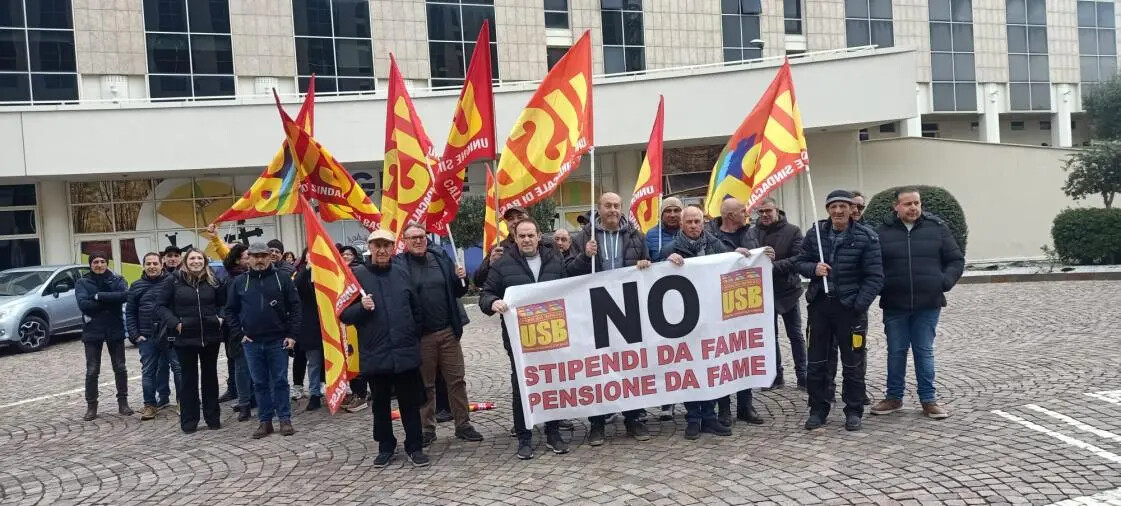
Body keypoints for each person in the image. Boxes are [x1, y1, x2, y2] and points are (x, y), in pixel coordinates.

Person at [480, 218, 573, 460]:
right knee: (522, 385)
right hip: (519, 339)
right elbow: (485, 294)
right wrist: (492, 302)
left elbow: (567, 290)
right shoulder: (502, 264)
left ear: (539, 236)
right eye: (522, 236)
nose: (527, 240)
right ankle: (524, 437)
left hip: (552, 334)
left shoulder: (555, 259)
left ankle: (553, 432)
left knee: (552, 382)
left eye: (531, 235)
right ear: (515, 237)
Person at [567, 192, 653, 446]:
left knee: (631, 366)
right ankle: (597, 424)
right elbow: (568, 271)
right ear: (599, 208)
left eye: (617, 205)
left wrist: (647, 264)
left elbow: (649, 265)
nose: (613, 210)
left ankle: (633, 418)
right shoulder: (583, 237)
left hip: (628, 311)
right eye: (608, 206)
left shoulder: (636, 236)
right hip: (595, 311)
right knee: (598, 368)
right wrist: (585, 256)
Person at [871, 188, 964, 419]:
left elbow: (955, 259)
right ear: (896, 207)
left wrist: (943, 282)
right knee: (896, 351)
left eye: (917, 203)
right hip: (895, 303)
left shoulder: (937, 228)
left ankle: (928, 400)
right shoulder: (882, 231)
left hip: (928, 303)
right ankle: (894, 397)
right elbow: (873, 264)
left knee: (924, 352)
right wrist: (883, 285)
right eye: (907, 204)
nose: (913, 208)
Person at [796, 190, 884, 432]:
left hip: (850, 309)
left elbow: (875, 276)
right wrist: (814, 268)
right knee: (817, 363)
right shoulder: (816, 233)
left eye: (843, 207)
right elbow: (799, 262)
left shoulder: (867, 237)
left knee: (853, 363)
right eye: (833, 207)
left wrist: (858, 304)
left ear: (851, 209)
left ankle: (854, 410)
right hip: (820, 307)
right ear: (827, 209)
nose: (838, 211)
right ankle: (818, 409)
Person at [343, 230, 431, 468]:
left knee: (409, 404)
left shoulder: (402, 273)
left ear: (393, 248)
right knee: (380, 405)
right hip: (375, 353)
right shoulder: (356, 276)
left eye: (386, 246)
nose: (382, 250)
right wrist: (361, 307)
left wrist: (412, 336)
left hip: (404, 353)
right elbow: (343, 314)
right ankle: (385, 446)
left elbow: (417, 311)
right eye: (377, 246)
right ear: (370, 248)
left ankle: (415, 446)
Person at [394, 223, 484, 446]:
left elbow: (457, 290)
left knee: (456, 381)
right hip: (421, 336)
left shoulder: (440, 257)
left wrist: (461, 278)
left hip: (447, 331)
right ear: (404, 241)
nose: (418, 241)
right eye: (413, 237)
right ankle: (427, 429)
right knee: (426, 385)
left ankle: (463, 424)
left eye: (422, 236)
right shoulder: (400, 266)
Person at [664, 206, 748, 440]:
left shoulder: (715, 245)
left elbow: (729, 265)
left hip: (711, 318)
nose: (693, 226)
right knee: (690, 369)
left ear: (703, 223)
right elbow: (655, 275)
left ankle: (710, 417)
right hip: (683, 320)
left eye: (697, 221)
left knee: (710, 367)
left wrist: (738, 256)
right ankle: (693, 419)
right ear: (681, 224)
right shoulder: (670, 249)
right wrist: (664, 260)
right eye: (689, 222)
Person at [705, 197, 769, 427]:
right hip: (720, 304)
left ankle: (745, 405)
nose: (747, 214)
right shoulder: (710, 237)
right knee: (723, 355)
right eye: (743, 211)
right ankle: (724, 409)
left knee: (745, 353)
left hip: (746, 305)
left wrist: (766, 256)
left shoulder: (751, 234)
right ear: (731, 216)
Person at [227, 242, 302, 439]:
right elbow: (229, 311)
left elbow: (295, 308)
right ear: (248, 258)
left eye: (263, 256)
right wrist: (239, 333)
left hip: (278, 339)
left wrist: (292, 335)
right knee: (259, 383)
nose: (259, 260)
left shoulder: (283, 279)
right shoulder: (239, 282)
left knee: (280, 381)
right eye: (255, 256)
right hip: (251, 342)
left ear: (270, 257)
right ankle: (265, 421)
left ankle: (284, 419)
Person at [154, 248, 227, 433]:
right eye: (192, 258)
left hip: (210, 336)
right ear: (185, 261)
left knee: (210, 378)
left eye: (199, 258)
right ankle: (189, 421)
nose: (196, 261)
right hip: (185, 336)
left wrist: (219, 318)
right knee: (188, 380)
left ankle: (213, 418)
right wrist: (175, 323)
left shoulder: (212, 280)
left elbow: (225, 303)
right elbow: (160, 306)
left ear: (204, 261)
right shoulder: (173, 280)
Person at [750, 198, 807, 390]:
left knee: (795, 334)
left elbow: (799, 257)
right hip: (763, 292)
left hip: (789, 290)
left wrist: (772, 267)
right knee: (769, 336)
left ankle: (803, 375)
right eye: (761, 212)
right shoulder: (753, 233)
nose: (764, 215)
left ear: (777, 211)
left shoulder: (793, 231)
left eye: (768, 211)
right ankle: (776, 375)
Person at [76, 252, 132, 421]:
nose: (99, 265)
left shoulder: (117, 280)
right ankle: (91, 406)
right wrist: (109, 302)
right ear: (90, 264)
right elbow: (84, 305)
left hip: (114, 329)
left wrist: (98, 296)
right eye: (95, 262)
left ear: (107, 263)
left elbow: (124, 296)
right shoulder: (83, 282)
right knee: (92, 370)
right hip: (92, 330)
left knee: (120, 368)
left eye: (102, 261)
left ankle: (123, 402)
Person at [127, 252, 182, 420]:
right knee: (148, 371)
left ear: (161, 265)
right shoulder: (136, 286)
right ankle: (150, 405)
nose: (152, 266)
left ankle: (183, 401)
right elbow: (130, 312)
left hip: (170, 334)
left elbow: (179, 306)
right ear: (143, 266)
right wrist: (135, 335)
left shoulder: (172, 282)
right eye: (148, 263)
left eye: (155, 263)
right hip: (147, 336)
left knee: (178, 369)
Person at [220, 244, 256, 422]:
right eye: (246, 256)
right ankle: (244, 403)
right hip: (239, 331)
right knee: (241, 369)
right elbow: (229, 308)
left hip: (257, 328)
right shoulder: (233, 280)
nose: (251, 258)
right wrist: (239, 329)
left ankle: (254, 398)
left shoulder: (254, 275)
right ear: (238, 260)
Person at [293, 249, 325, 411]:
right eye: (309, 253)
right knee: (314, 362)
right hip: (310, 326)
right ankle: (314, 394)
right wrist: (308, 269)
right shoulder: (302, 274)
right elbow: (295, 286)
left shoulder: (329, 272)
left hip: (329, 325)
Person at [645, 196, 683, 261]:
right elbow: (647, 261)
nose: (672, 215)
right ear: (661, 215)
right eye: (668, 211)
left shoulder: (688, 232)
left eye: (676, 210)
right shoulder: (651, 235)